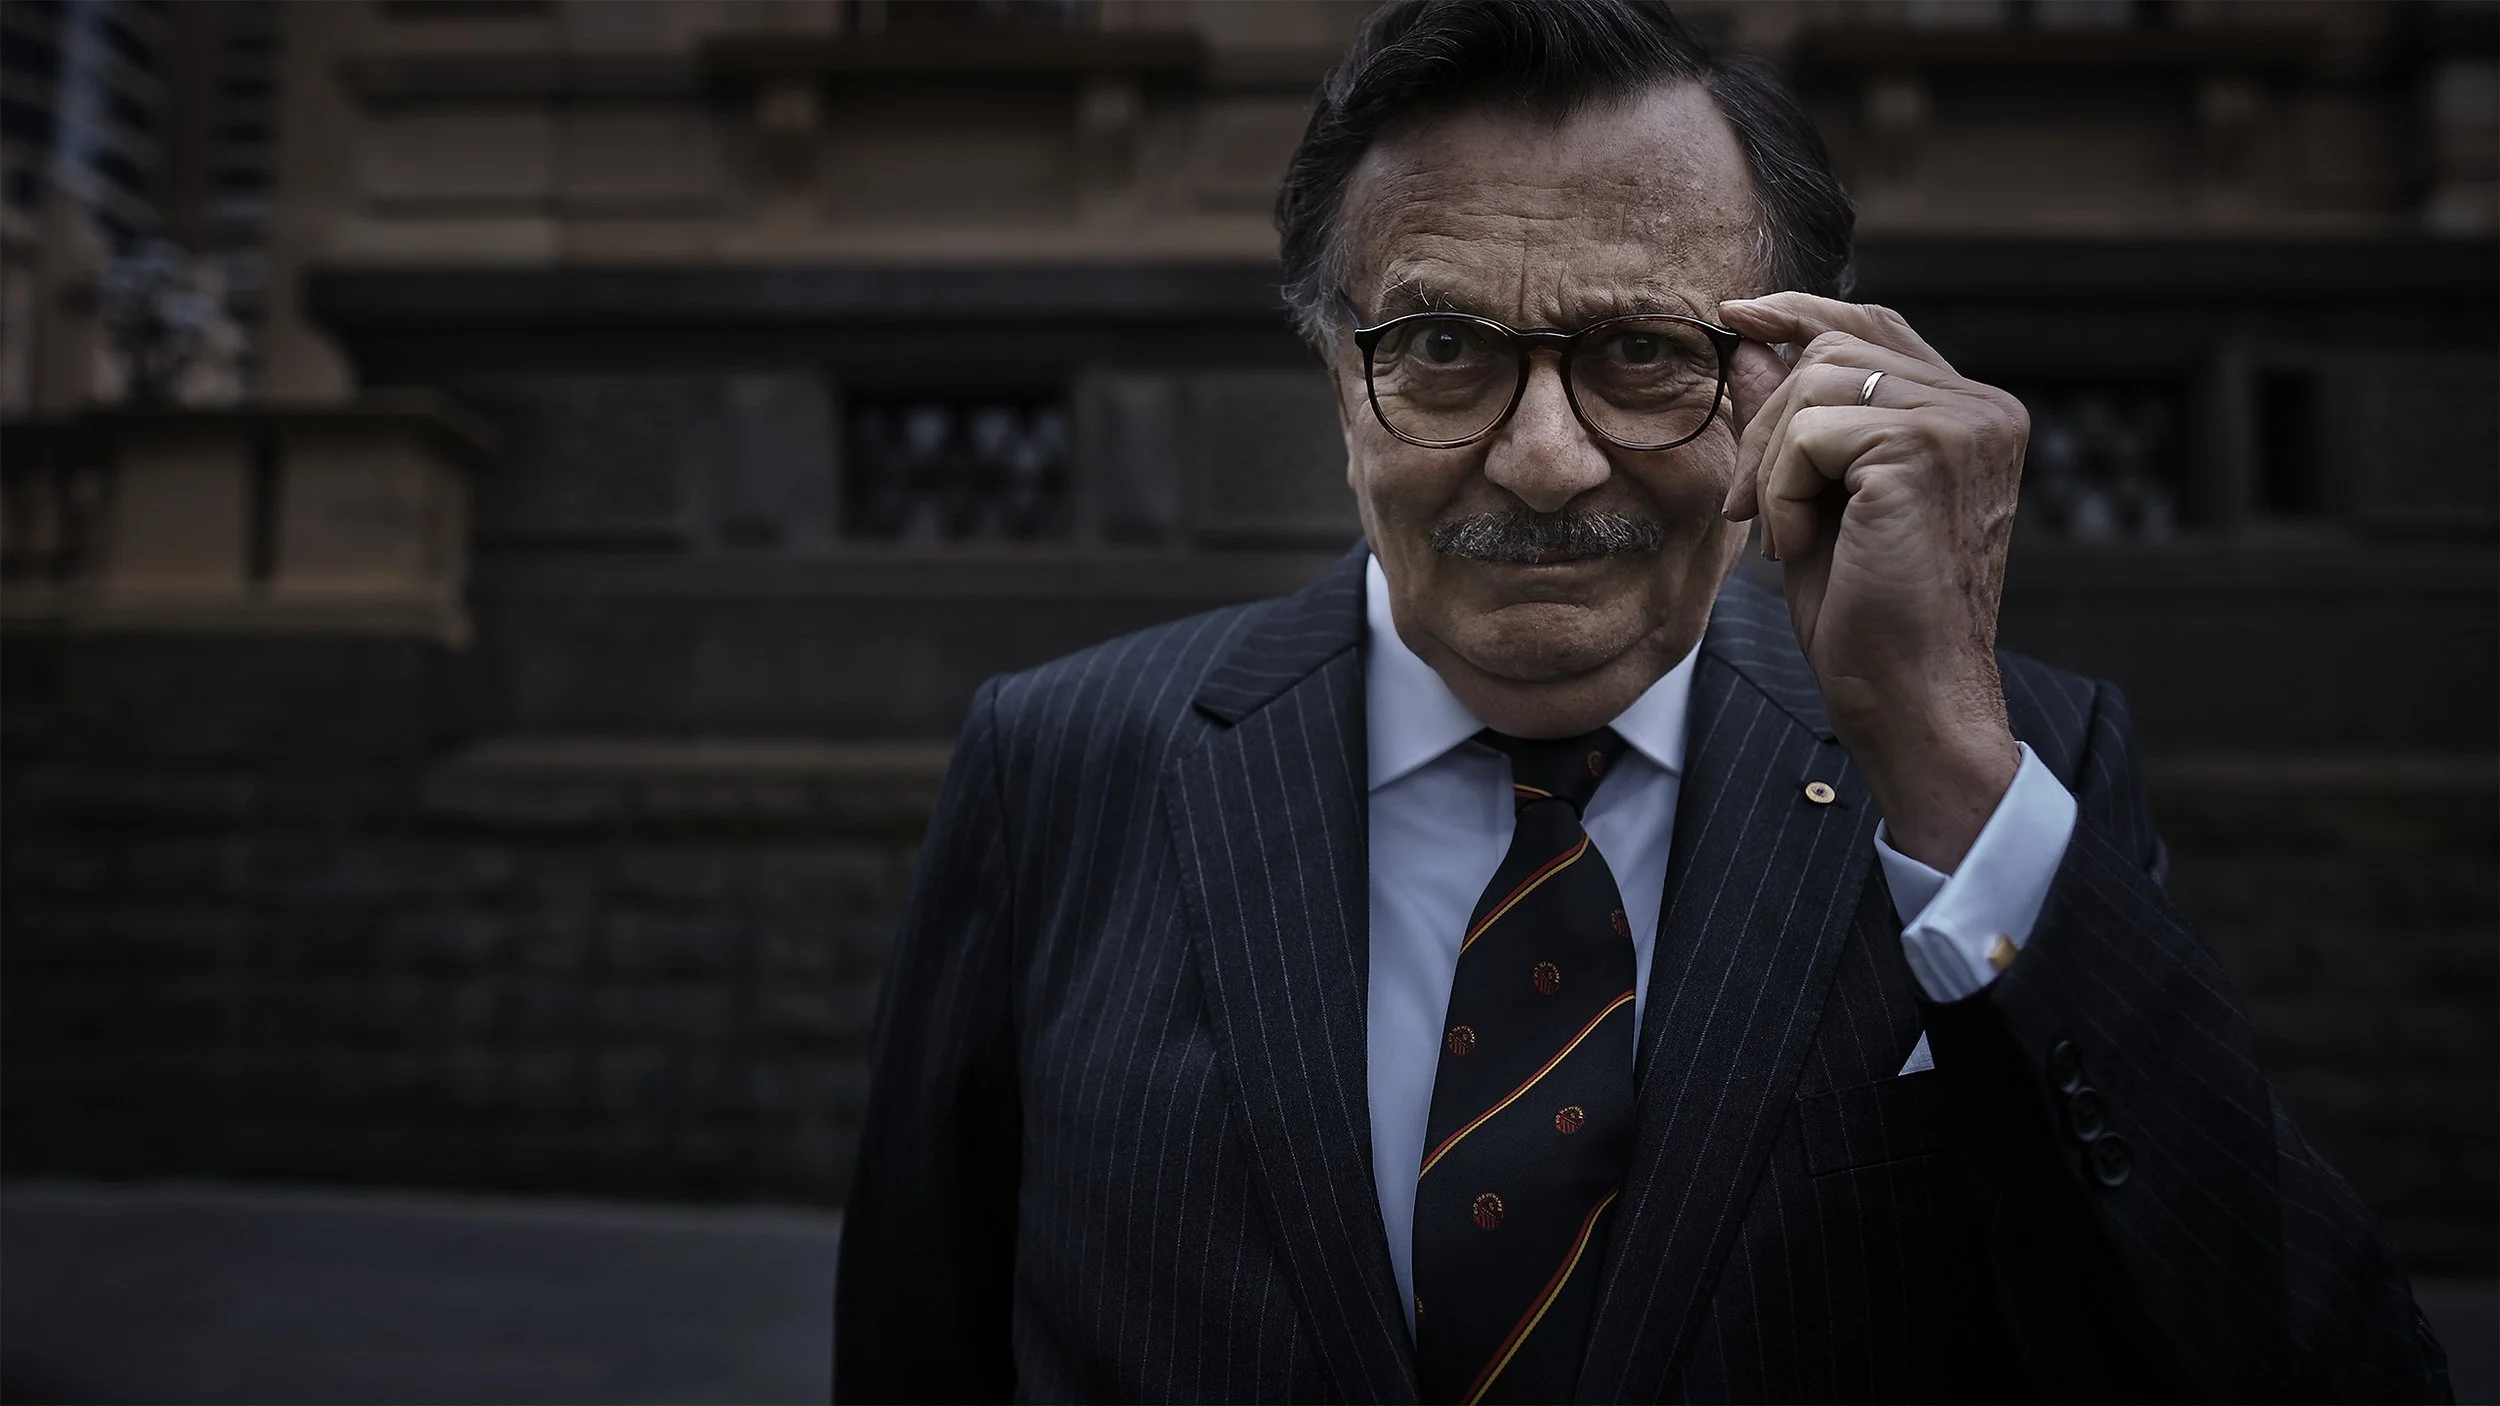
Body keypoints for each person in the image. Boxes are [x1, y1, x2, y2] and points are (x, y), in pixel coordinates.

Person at [835, 2, 2449, 1400]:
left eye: (1642, 352)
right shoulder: (1063, 761)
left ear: (1798, 384)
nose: (1545, 457)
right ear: (1341, 380)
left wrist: (1945, 755)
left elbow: (2306, 1363)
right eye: (1446, 344)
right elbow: (919, 1349)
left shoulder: (2001, 770)